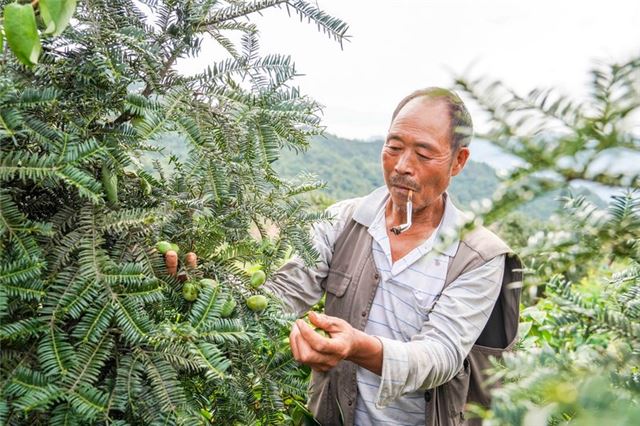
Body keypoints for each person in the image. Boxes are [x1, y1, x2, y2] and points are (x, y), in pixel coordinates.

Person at [263, 87, 522, 426]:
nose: (402, 166)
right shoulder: (343, 221)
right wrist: (202, 283)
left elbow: (440, 356)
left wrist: (358, 347)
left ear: (459, 161)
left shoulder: (479, 257)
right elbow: (281, 295)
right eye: (394, 147)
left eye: (424, 154)